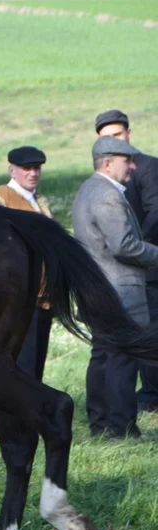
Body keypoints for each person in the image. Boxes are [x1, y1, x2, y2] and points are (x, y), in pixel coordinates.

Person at [71, 136, 158, 439]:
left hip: (100, 291)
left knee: (103, 357)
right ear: (108, 163)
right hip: (120, 292)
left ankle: (101, 426)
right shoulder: (107, 194)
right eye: (127, 160)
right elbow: (123, 246)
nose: (133, 166)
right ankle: (121, 429)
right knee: (123, 359)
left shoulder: (87, 190)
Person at [95, 109, 158, 413]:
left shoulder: (146, 167)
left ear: (130, 134)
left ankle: (151, 395)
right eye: (107, 137)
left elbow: (156, 211)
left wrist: (139, 248)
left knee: (148, 333)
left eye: (118, 135)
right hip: (124, 269)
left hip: (147, 267)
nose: (114, 141)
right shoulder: (102, 179)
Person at [0, 146, 55, 380]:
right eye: (27, 168)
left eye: (37, 168)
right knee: (20, 366)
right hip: (18, 299)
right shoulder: (0, 198)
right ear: (12, 171)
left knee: (35, 366)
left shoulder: (39, 200)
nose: (33, 173)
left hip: (43, 297)